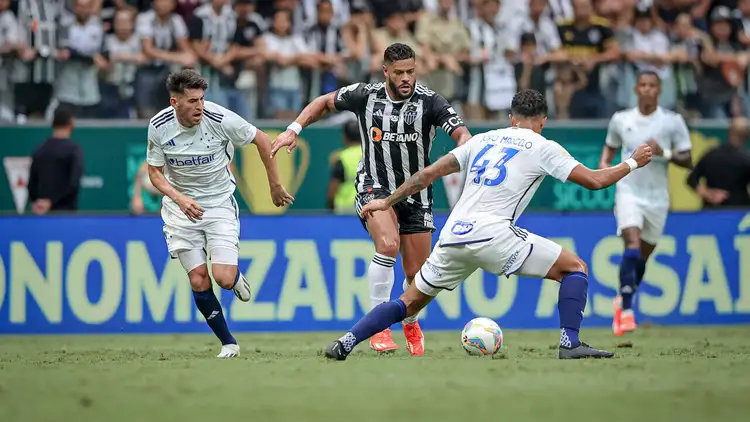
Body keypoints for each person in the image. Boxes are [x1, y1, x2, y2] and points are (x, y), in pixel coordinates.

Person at [323, 89, 653, 361]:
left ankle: (346, 341)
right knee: (574, 267)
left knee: (408, 302)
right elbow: (596, 181)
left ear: (511, 118)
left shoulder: (482, 140)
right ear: (543, 121)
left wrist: (387, 201)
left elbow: (428, 174)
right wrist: (634, 160)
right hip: (494, 233)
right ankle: (570, 342)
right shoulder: (544, 146)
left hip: (453, 235)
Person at [271, 43, 472, 356]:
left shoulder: (431, 102)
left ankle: (410, 320)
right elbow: (324, 102)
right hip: (374, 187)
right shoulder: (366, 94)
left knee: (417, 277)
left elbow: (461, 133)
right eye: (400, 72)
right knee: (388, 246)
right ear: (386, 71)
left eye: (411, 71)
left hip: (416, 193)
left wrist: (464, 148)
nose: (406, 78)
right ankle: (378, 329)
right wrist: (294, 129)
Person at [145, 69, 293, 358]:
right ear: (175, 103)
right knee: (199, 279)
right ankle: (228, 343)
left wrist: (274, 186)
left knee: (223, 278)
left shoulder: (220, 118)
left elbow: (262, 140)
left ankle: (234, 278)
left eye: (201, 99)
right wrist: (178, 198)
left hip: (219, 204)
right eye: (191, 101)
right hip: (180, 210)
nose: (199, 106)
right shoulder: (159, 125)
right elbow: (155, 172)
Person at [598, 71, 693, 337]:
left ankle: (622, 297)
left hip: (658, 198)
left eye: (652, 85)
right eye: (643, 85)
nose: (647, 89)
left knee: (641, 257)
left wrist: (666, 153)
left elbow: (688, 159)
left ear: (659, 90)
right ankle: (627, 310)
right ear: (636, 89)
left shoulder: (672, 122)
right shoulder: (621, 119)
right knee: (632, 243)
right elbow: (610, 147)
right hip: (628, 191)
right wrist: (605, 165)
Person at [28, 107, 84, 215]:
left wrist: (38, 202)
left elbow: (32, 184)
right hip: (65, 215)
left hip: (42, 214)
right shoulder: (74, 150)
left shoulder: (40, 149)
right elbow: (73, 183)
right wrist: (51, 202)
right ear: (71, 123)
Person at [687, 117, 750, 209]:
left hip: (710, 212)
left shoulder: (710, 154)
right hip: (738, 214)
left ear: (728, 132)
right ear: (746, 136)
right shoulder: (746, 159)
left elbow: (691, 179)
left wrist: (708, 194)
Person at [327, 119, 363, 214]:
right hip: (367, 205)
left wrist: (330, 205)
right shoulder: (370, 154)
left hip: (345, 209)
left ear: (345, 136)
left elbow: (334, 185)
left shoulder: (342, 157)